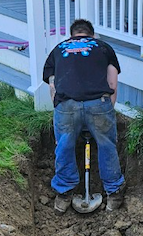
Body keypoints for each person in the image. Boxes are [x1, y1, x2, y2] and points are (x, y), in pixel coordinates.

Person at [43, 18, 126, 213]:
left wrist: (61, 110)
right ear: (92, 35)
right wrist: (106, 111)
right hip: (98, 102)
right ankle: (114, 195)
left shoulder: (58, 49)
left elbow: (53, 86)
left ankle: (64, 195)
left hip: (67, 104)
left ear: (72, 35)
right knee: (107, 145)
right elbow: (112, 84)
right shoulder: (103, 47)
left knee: (64, 146)